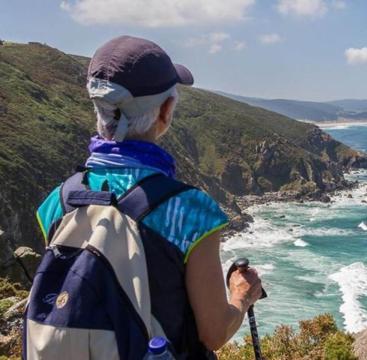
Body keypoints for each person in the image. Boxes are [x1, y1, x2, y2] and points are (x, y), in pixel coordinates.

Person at [32, 35, 263, 357]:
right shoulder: (191, 211)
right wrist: (241, 296)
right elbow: (212, 333)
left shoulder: (57, 200)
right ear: (166, 111)